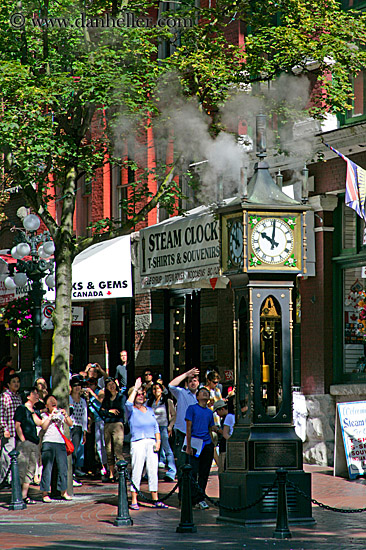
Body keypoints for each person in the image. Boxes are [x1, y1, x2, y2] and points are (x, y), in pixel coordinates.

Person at [126, 378, 167, 510]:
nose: (141, 396)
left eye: (142, 394)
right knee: (137, 469)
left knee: (153, 470)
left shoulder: (149, 410)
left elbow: (156, 427)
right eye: (138, 394)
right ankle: (134, 499)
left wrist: (158, 441)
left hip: (152, 442)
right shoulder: (130, 410)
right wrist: (136, 387)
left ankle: (155, 498)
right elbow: (127, 404)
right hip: (138, 442)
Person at [185, 386, 218, 510]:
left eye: (207, 393)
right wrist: (188, 445)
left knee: (204, 473)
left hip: (207, 444)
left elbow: (210, 428)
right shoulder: (192, 409)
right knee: (193, 472)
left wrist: (212, 444)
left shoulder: (210, 412)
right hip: (195, 443)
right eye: (202, 392)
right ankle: (192, 498)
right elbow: (188, 427)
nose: (205, 394)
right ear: (197, 396)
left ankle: (201, 498)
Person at [168, 367, 199, 493]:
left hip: (196, 435)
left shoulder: (201, 396)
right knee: (182, 465)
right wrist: (186, 374)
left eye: (195, 380)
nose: (193, 382)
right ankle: (183, 496)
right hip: (181, 434)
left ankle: (195, 496)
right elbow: (171, 385)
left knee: (194, 467)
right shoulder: (181, 393)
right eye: (190, 380)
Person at [39, 394, 73, 502]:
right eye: (50, 401)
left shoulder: (60, 414)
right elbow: (43, 426)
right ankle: (45, 493)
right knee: (47, 468)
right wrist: (50, 416)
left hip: (60, 443)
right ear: (46, 405)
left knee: (63, 468)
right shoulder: (44, 414)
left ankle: (63, 491)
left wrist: (65, 415)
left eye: (54, 400)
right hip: (48, 442)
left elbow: (70, 423)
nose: (53, 402)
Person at [14, 386, 42, 503]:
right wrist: (23, 439)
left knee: (31, 470)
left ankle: (24, 495)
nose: (37, 395)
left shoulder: (34, 410)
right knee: (22, 468)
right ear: (28, 396)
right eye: (34, 393)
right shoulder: (21, 409)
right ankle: (17, 495)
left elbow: (40, 423)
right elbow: (17, 425)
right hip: (25, 443)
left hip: (34, 443)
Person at [147, 382, 176, 482]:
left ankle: (172, 471)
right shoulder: (150, 401)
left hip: (163, 427)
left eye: (158, 388)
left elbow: (174, 415)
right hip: (152, 428)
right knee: (151, 450)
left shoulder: (167, 401)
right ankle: (149, 472)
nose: (156, 391)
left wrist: (170, 427)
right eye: (154, 389)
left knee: (167, 449)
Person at [100, 377, 125, 482]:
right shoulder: (106, 399)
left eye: (112, 384)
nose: (111, 386)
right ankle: (111, 474)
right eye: (108, 384)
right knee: (109, 450)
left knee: (118, 450)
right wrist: (109, 411)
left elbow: (121, 410)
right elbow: (101, 411)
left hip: (117, 425)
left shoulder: (121, 397)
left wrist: (107, 412)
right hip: (107, 425)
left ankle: (121, 474)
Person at [0, 373, 22, 485]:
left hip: (18, 432)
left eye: (17, 381)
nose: (16, 384)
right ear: (8, 384)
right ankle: (1, 479)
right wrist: (4, 429)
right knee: (7, 457)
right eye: (14, 382)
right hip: (9, 431)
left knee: (15, 458)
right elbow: (1, 414)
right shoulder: (5, 396)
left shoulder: (18, 396)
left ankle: (10, 480)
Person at [85, 379, 107, 478]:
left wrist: (92, 393)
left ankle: (109, 466)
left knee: (105, 443)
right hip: (97, 422)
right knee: (98, 445)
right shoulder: (87, 397)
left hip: (104, 421)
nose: (89, 386)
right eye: (88, 384)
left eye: (91, 384)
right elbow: (90, 413)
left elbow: (101, 400)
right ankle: (103, 466)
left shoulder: (100, 392)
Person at [69, 377, 88, 486]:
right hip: (70, 427)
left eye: (79, 385)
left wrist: (84, 431)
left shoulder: (83, 401)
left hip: (78, 428)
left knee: (75, 451)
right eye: (75, 385)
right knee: (70, 451)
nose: (77, 388)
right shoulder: (69, 399)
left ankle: (73, 473)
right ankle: (70, 474)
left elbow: (84, 417)